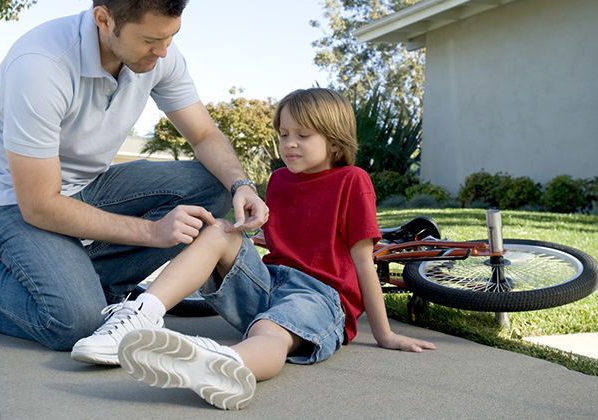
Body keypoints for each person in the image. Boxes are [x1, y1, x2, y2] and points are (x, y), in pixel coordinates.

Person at [0, 0, 267, 351]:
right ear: (104, 19)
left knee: (212, 182)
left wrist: (241, 184)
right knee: (76, 321)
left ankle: (87, 282)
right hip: (11, 199)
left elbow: (205, 135)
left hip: (89, 185)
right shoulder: (41, 66)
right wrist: (153, 233)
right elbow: (40, 205)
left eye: (172, 37)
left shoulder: (159, 55)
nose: (163, 52)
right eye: (151, 40)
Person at [70, 88, 436, 410]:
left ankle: (225, 364)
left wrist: (383, 333)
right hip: (268, 284)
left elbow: (362, 261)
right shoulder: (277, 181)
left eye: (302, 135)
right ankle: (141, 314)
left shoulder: (352, 181)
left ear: (335, 141)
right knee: (219, 231)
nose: (289, 143)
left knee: (272, 332)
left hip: (321, 297)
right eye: (283, 134)